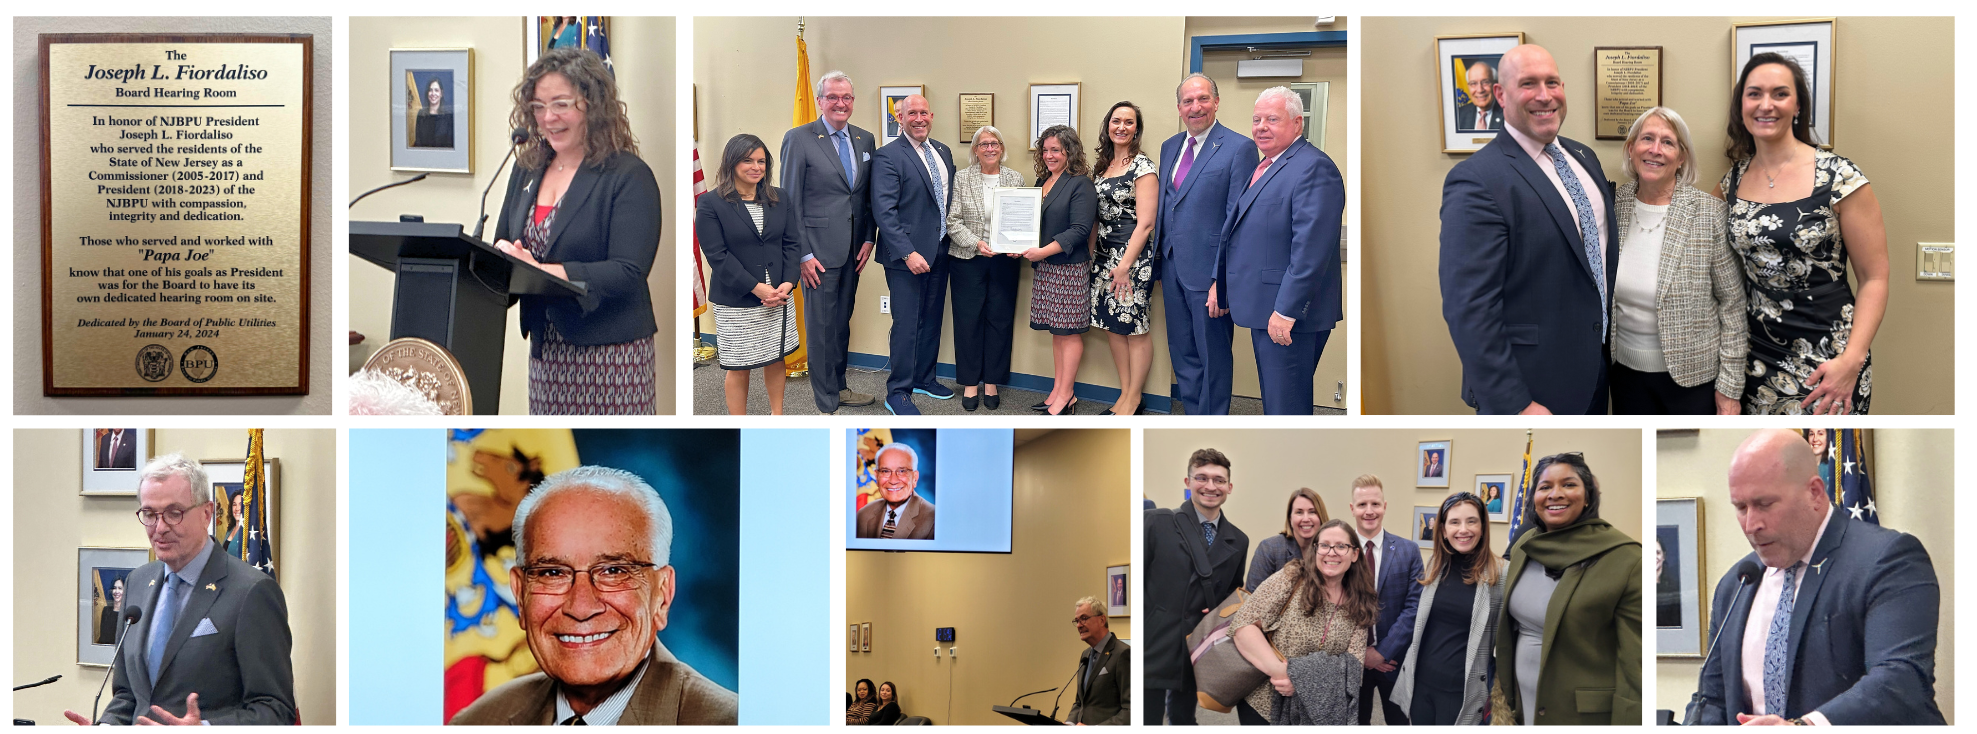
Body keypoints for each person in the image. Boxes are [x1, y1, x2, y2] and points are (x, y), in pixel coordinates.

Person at [449, 466, 739, 725]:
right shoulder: (477, 722)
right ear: (520, 593)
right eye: (552, 573)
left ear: (662, 596)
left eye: (613, 571)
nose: (581, 607)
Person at [1689, 430, 1942, 725]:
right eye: (1741, 508)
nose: (1751, 524)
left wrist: (1804, 727)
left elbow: (1901, 678)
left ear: (1814, 493)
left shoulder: (1887, 558)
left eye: (1765, 504)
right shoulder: (1736, 583)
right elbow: (1712, 698)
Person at [1440, 44, 1618, 415]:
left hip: (1596, 372)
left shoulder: (1584, 157)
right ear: (1501, 95)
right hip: (1532, 388)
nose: (1544, 95)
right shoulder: (1476, 181)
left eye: (1552, 82)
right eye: (1528, 84)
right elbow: (1469, 308)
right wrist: (1515, 404)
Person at [1714, 54, 1888, 415]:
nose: (1766, 105)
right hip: (1755, 361)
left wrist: (1851, 362)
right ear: (1741, 106)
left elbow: (1875, 277)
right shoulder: (1731, 182)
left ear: (1797, 106)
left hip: (1831, 361)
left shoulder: (1839, 176)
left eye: (1780, 94)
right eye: (1754, 94)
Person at [490, 48, 661, 415]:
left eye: (561, 104)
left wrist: (539, 272)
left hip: (611, 356)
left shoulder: (628, 175)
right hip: (547, 353)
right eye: (538, 106)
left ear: (592, 105)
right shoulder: (525, 169)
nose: (548, 117)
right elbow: (506, 246)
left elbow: (629, 271)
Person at [67, 454, 296, 725]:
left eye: (174, 513)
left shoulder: (251, 592)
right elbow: (129, 696)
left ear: (206, 514)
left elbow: (275, 709)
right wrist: (105, 727)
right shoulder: (138, 583)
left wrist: (205, 729)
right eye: (150, 514)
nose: (160, 528)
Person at [1607, 106, 1747, 415]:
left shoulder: (1709, 213)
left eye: (1668, 142)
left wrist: (1730, 389)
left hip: (1694, 382)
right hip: (1625, 377)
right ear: (1631, 149)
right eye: (1647, 139)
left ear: (1681, 157)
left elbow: (1733, 305)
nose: (1655, 150)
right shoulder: (1612, 206)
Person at [1213, 87, 1344, 415]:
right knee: (1277, 401)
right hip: (1263, 305)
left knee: (1286, 407)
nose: (1261, 127)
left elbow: (1311, 250)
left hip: (1289, 314)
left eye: (1272, 119)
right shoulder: (1268, 165)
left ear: (1298, 124)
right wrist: (1222, 285)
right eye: (1256, 119)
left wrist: (1286, 311)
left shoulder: (1314, 168)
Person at [1495, 452, 1641, 725]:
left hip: (1581, 716)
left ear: (1588, 496)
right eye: (1545, 487)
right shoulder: (1525, 545)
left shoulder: (1628, 559)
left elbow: (1636, 666)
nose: (1555, 494)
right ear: (1534, 499)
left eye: (1569, 484)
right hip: (1521, 703)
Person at [1156, 74, 1256, 416]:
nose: (1195, 107)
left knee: (1212, 355)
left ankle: (1213, 420)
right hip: (1171, 266)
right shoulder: (1170, 146)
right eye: (1187, 101)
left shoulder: (1239, 147)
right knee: (1182, 351)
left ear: (1216, 101)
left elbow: (1237, 220)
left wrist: (1222, 280)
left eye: (1202, 99)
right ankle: (1193, 417)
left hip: (1209, 273)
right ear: (1179, 107)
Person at [782, 70, 879, 413]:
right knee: (821, 329)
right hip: (817, 254)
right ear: (820, 100)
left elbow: (866, 197)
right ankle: (826, 401)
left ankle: (839, 387)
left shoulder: (865, 139)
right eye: (833, 97)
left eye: (847, 97)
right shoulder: (799, 138)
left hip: (854, 250)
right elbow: (789, 200)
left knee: (840, 323)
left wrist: (869, 237)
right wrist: (802, 254)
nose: (841, 103)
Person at [1230, 520, 1378, 725]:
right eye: (1324, 545)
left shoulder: (1360, 601)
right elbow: (1243, 625)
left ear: (1354, 554)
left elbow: (1353, 667)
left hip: (1317, 712)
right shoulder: (1291, 578)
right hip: (1265, 704)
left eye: (1341, 546)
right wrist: (1282, 672)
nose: (1331, 552)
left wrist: (1301, 680)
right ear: (1315, 550)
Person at [697, 133, 802, 415]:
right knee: (739, 365)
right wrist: (757, 288)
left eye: (761, 161)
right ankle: (738, 422)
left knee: (775, 358)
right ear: (732, 163)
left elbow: (792, 244)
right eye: (748, 160)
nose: (756, 167)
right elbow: (717, 255)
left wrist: (788, 284)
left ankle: (777, 416)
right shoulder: (711, 203)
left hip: (778, 295)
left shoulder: (780, 197)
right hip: (738, 298)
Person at [1143, 448, 1249, 725]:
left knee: (1183, 718)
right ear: (1188, 483)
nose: (1210, 486)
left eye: (1218, 480)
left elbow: (1232, 594)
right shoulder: (1156, 522)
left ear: (1229, 487)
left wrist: (1217, 612)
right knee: (1146, 719)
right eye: (1201, 478)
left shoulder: (1239, 540)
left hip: (1198, 643)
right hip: (1156, 640)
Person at [870, 94, 957, 415]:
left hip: (940, 251)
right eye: (912, 114)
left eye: (923, 113)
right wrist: (908, 253)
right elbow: (884, 211)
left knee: (932, 319)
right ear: (900, 118)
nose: (918, 119)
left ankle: (924, 377)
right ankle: (898, 391)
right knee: (907, 324)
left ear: (931, 115)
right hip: (905, 258)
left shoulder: (943, 152)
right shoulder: (888, 156)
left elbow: (945, 204)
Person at [1390, 492, 1505, 725]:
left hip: (1461, 693)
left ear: (1483, 527)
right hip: (1421, 686)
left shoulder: (1501, 574)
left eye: (1471, 521)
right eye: (1454, 522)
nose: (1463, 529)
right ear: (1443, 530)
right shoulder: (1436, 565)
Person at [944, 125, 1024, 411]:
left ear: (1002, 148)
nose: (990, 149)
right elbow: (952, 221)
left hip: (1004, 261)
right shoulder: (962, 178)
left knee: (999, 320)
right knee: (968, 322)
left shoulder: (1015, 177)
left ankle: (991, 381)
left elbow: (1020, 220)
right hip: (968, 259)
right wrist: (976, 243)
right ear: (975, 150)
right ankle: (969, 383)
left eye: (995, 144)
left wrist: (1019, 245)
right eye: (984, 144)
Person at [1088, 101, 1160, 415]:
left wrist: (1124, 266)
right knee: (1112, 326)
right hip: (1103, 257)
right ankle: (1125, 394)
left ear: (1136, 129)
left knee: (1135, 328)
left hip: (1132, 260)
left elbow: (1146, 222)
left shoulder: (1143, 166)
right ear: (1107, 126)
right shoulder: (1102, 166)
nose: (1121, 127)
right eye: (1116, 121)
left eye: (1128, 122)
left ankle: (1134, 398)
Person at [1024, 125, 1098, 415]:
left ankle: (1067, 395)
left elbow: (1079, 230)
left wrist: (1041, 251)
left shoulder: (1081, 184)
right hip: (1046, 267)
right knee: (1057, 332)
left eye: (1056, 150)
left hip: (1068, 268)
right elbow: (1031, 224)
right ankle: (1057, 389)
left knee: (1069, 332)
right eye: (1045, 150)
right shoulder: (1041, 181)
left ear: (1070, 151)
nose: (1049, 155)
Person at [1346, 475, 1423, 725]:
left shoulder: (1408, 551)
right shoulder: (1338, 550)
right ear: (1352, 509)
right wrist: (1362, 654)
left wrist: (1381, 653)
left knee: (1399, 722)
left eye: (1375, 504)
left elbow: (1414, 607)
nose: (1369, 511)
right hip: (1350, 662)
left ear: (1385, 506)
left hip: (1392, 661)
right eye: (1362, 505)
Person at [1245, 488, 1329, 592]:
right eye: (1299, 512)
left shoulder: (1330, 551)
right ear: (1290, 518)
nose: (1306, 519)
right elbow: (1251, 598)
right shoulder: (1269, 548)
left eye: (1312, 512)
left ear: (1321, 516)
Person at [1068, 596, 1131, 725]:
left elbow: (1130, 710)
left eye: (1084, 618)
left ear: (1102, 620)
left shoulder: (1123, 653)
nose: (1079, 625)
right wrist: (1069, 723)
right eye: (1076, 620)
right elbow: (1080, 703)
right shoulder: (1085, 655)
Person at [853, 443, 936, 540]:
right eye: (885, 471)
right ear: (876, 476)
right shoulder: (863, 515)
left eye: (902, 471)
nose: (893, 480)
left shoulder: (934, 519)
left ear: (915, 478)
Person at [1455, 60, 1504, 131]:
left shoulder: (1510, 116)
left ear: (1495, 86)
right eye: (1473, 83)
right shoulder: (1459, 115)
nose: (1480, 90)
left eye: (1486, 82)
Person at [414, 77, 455, 148]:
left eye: (436, 90)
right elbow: (418, 143)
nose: (433, 93)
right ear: (427, 93)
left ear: (441, 93)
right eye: (430, 90)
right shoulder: (421, 115)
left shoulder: (448, 117)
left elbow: (450, 144)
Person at [95, 575, 128, 645]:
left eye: (120, 588)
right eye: (114, 588)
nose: (116, 591)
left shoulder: (128, 614)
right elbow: (102, 637)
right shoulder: (106, 610)